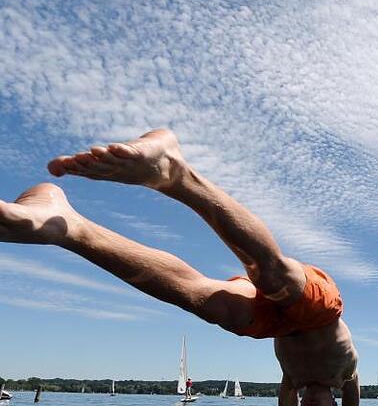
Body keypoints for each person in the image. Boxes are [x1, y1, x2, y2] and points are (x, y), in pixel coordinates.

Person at [0, 129, 359, 406]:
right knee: (273, 276)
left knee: (211, 303)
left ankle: (66, 225)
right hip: (317, 312)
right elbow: (354, 392)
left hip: (272, 324)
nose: (311, 403)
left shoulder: (292, 382)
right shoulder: (344, 376)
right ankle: (175, 171)